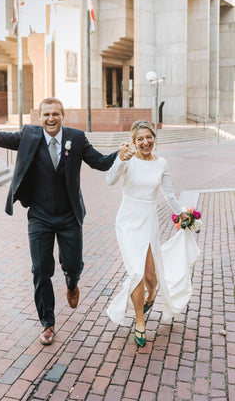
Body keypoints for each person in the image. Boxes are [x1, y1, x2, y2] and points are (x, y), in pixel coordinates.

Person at [0, 89, 117, 345]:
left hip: (69, 215)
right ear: (40, 116)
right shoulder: (28, 135)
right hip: (40, 216)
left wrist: (122, 154)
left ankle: (72, 282)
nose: (51, 118)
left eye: (56, 113)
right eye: (46, 114)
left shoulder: (76, 138)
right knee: (41, 270)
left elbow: (99, 162)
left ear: (63, 115)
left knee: (73, 264)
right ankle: (47, 323)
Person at [106, 120, 200, 347]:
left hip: (149, 221)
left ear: (154, 138)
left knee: (150, 276)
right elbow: (110, 180)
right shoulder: (127, 160)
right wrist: (119, 159)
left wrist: (183, 215)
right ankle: (140, 321)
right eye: (140, 139)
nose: (145, 142)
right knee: (136, 271)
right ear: (133, 142)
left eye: (148, 137)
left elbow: (168, 194)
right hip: (128, 222)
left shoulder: (161, 163)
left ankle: (152, 293)